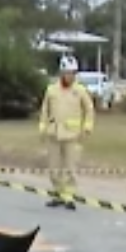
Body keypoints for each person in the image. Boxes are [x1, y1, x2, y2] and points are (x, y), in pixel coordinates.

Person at [37, 55, 95, 210]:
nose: (70, 76)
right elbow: (45, 110)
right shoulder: (51, 90)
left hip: (73, 135)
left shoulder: (80, 91)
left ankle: (68, 197)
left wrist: (87, 127)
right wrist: (42, 126)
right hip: (53, 134)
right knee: (54, 167)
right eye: (67, 73)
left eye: (73, 73)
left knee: (70, 167)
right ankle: (57, 194)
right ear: (61, 73)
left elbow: (89, 109)